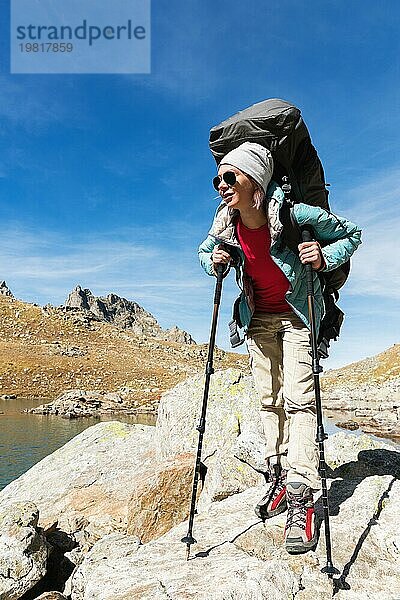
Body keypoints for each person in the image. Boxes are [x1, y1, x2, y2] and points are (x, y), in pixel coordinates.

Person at [198, 142, 362, 554]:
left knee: (300, 401)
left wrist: (323, 255)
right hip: (257, 320)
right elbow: (203, 252)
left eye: (229, 177)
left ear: (255, 179)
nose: (221, 185)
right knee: (269, 400)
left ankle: (302, 498)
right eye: (217, 178)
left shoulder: (293, 214)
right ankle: (278, 479)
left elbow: (352, 234)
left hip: (297, 317)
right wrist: (215, 260)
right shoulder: (225, 221)